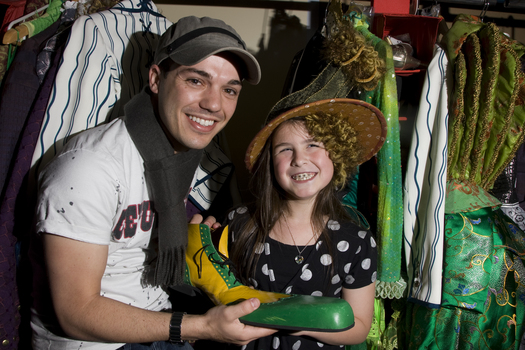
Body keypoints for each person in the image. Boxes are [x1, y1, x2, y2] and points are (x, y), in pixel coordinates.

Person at [29, 16, 277, 349]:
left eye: (229, 89)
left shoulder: (192, 157)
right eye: (196, 80)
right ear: (156, 79)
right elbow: (76, 312)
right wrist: (203, 327)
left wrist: (190, 238)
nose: (214, 104)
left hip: (157, 321)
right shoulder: (88, 168)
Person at [224, 95, 387, 349]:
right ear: (270, 161)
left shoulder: (357, 243)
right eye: (285, 149)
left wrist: (293, 320)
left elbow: (359, 327)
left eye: (312, 145)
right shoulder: (240, 224)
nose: (299, 159)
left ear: (335, 154)